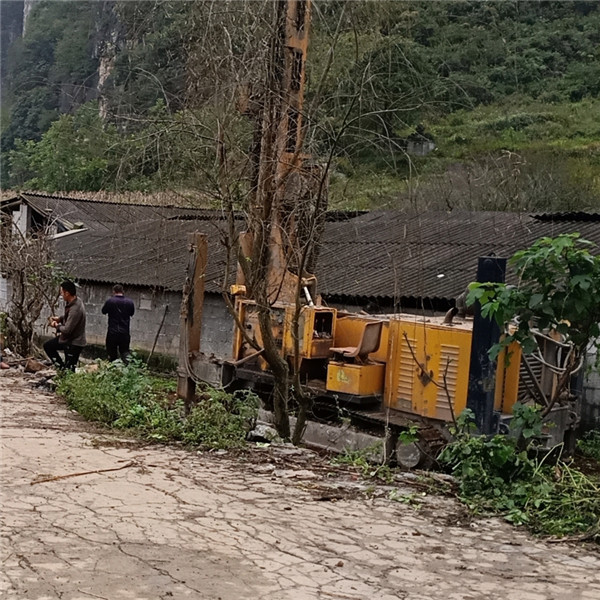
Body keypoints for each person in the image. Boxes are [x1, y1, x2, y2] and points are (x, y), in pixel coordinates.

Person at [44, 280, 86, 371]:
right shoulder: (76, 300)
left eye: (62, 293)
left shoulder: (75, 308)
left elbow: (67, 329)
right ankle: (61, 369)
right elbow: (70, 318)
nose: (61, 295)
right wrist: (60, 319)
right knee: (48, 346)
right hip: (69, 340)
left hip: (74, 342)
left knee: (70, 369)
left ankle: (63, 372)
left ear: (67, 293)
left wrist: (56, 325)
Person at [102, 284, 135, 363]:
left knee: (112, 354)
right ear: (122, 291)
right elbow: (132, 313)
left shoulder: (110, 301)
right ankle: (127, 370)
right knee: (125, 353)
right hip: (124, 333)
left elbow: (103, 311)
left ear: (114, 291)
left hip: (112, 332)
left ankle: (113, 370)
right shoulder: (130, 302)